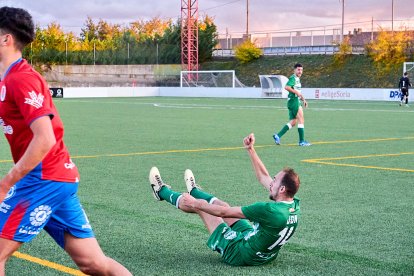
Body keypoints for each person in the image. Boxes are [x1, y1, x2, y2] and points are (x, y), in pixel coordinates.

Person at [0, 7, 131, 275]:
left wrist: (7, 182)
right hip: (57, 178)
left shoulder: (22, 79)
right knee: (93, 264)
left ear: (6, 39)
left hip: (42, 179)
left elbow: (45, 138)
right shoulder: (9, 77)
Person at [149, 133, 301, 266]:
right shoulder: (292, 204)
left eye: (275, 180)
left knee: (205, 209)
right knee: (222, 205)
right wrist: (251, 150)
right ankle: (195, 191)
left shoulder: (269, 210)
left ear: (282, 189)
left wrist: (195, 203)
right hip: (261, 249)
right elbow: (263, 177)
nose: (271, 182)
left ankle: (161, 191)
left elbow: (224, 212)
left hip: (240, 253)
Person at [272, 63, 311, 146]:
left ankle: (277, 136)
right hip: (294, 101)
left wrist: (304, 99)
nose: (300, 71)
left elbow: (298, 92)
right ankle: (302, 141)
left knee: (293, 122)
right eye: (298, 70)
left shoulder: (297, 79)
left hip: (293, 101)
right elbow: (287, 87)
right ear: (295, 70)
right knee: (301, 119)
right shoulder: (293, 78)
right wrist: (296, 92)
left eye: (301, 70)